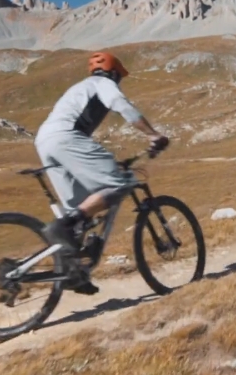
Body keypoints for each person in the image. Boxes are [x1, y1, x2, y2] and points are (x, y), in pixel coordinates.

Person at [34, 51, 169, 294]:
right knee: (119, 185)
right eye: (119, 78)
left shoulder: (79, 88)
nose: (118, 82)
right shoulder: (103, 83)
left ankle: (74, 273)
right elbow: (121, 105)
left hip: (45, 140)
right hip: (66, 138)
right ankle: (63, 228)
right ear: (114, 73)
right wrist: (152, 134)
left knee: (80, 207)